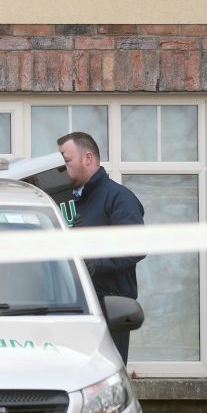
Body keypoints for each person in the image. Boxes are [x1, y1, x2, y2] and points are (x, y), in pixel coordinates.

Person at [57, 131, 145, 364]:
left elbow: (135, 247)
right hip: (73, 311)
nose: (62, 169)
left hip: (109, 311)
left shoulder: (119, 198)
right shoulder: (66, 202)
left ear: (88, 158)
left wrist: (92, 265)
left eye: (66, 161)